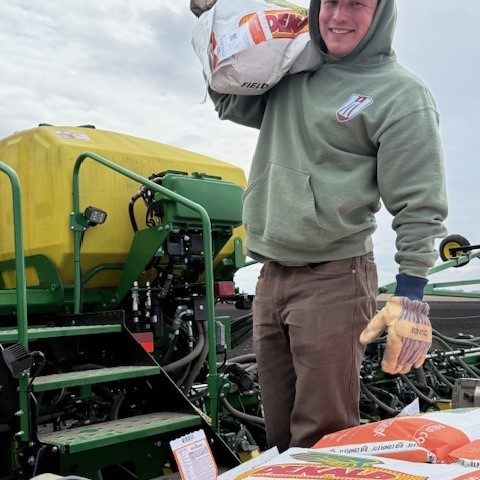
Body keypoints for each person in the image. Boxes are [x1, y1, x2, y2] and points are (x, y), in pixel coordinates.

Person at [192, 0, 448, 452]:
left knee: (323, 434)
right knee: (278, 430)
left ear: (382, 12)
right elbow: (230, 96)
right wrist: (211, 19)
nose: (338, 16)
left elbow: (419, 203)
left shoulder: (400, 93)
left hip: (334, 277)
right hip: (272, 277)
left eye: (357, 4)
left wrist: (411, 297)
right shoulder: (291, 74)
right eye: (330, 1)